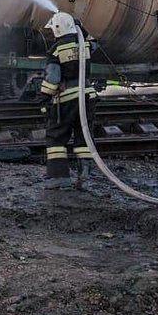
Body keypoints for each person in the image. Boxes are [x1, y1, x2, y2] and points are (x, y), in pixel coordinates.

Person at [38, 12, 98, 189]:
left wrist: (44, 99)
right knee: (83, 135)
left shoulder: (56, 50)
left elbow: (53, 79)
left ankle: (59, 177)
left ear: (57, 29)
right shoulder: (85, 44)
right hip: (87, 97)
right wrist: (82, 28)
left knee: (56, 136)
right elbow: (95, 43)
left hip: (66, 101)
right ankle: (85, 173)